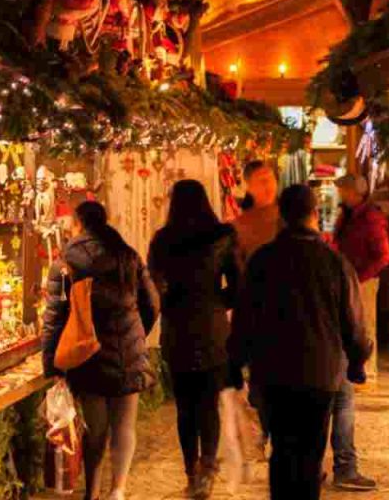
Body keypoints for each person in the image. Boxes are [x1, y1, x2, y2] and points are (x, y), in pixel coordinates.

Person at [229, 184, 372, 500]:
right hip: (319, 374)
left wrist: (235, 364)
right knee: (310, 453)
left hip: (272, 373)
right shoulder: (334, 263)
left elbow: (244, 317)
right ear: (313, 215)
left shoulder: (262, 261)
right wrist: (358, 361)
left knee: (281, 450)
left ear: (282, 214)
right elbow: (354, 321)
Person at [41, 201, 159, 500]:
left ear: (78, 224)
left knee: (96, 429)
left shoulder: (67, 261)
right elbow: (152, 303)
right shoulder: (128, 255)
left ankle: (92, 493)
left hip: (87, 354)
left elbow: (54, 317)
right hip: (127, 352)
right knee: (125, 426)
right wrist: (136, 335)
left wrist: (52, 364)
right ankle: (117, 490)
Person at [148, 180, 239, 499]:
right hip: (212, 329)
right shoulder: (223, 237)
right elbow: (238, 285)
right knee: (208, 404)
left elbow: (155, 284)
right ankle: (208, 470)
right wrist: (217, 302)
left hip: (177, 329)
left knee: (185, 406)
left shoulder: (163, 240)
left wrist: (172, 302)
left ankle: (191, 471)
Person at [328, 173, 389, 491]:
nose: (340, 193)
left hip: (359, 282)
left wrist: (358, 277)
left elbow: (383, 255)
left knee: (361, 328)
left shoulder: (371, 218)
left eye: (344, 189)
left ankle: (363, 369)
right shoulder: (347, 215)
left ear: (356, 193)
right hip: (343, 281)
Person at [229, 160, 280, 461]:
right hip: (258, 314)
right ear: (247, 185)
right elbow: (236, 275)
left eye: (270, 178)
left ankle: (283, 441)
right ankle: (265, 434)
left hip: (290, 312)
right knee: (261, 382)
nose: (267, 184)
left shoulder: (287, 218)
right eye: (260, 179)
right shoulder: (241, 226)